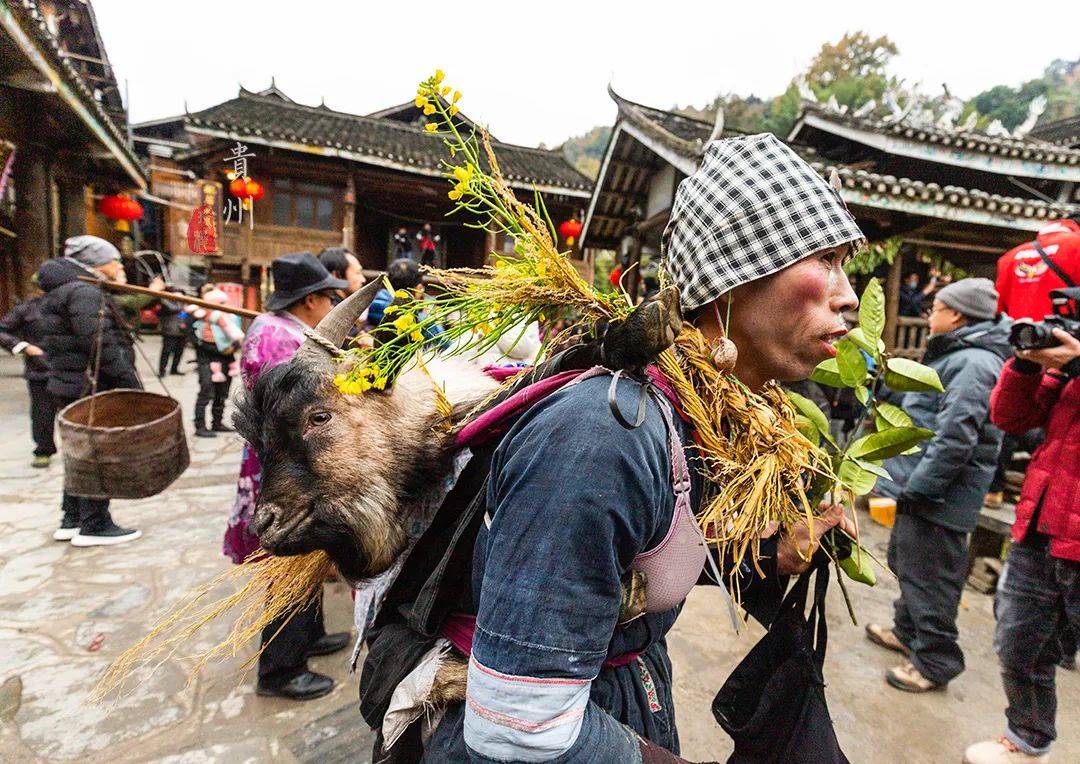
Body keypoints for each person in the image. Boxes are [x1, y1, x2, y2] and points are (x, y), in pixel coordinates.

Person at [364, 133, 863, 761]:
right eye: (824, 259)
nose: (848, 296)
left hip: (626, 693)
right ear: (733, 279)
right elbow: (521, 726)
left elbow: (625, 565)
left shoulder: (698, 412)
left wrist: (767, 553)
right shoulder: (603, 438)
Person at [866, 278, 1010, 693]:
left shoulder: (975, 365)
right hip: (923, 490)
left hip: (940, 496)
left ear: (958, 315)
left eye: (938, 308)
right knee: (910, 564)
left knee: (932, 578)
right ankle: (906, 632)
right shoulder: (959, 357)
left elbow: (956, 437)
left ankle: (935, 661)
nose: (931, 315)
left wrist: (921, 488)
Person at [224, 252, 351, 701]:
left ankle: (309, 635)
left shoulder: (277, 327)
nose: (333, 304)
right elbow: (301, 408)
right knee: (287, 562)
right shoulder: (283, 339)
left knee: (306, 557)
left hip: (282, 461)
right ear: (312, 300)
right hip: (286, 469)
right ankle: (280, 670)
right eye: (330, 297)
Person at [963, 317, 1080, 764]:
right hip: (1041, 526)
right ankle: (1028, 735)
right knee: (1019, 643)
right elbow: (1010, 417)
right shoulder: (1065, 365)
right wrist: (1027, 366)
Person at [37, 235, 142, 546]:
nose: (120, 265)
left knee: (78, 452)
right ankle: (94, 524)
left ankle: (71, 518)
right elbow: (99, 344)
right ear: (98, 263)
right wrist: (130, 384)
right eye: (116, 260)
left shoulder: (65, 290)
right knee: (95, 454)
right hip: (89, 388)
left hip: (69, 385)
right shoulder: (84, 292)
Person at [986, 218, 1080, 508]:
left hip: (1024, 339)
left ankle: (994, 487)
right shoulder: (1076, 247)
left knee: (1007, 420)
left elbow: (999, 307)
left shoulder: (1009, 257)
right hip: (1066, 342)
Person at [0, 284, 55, 467]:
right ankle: (43, 450)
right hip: (40, 369)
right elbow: (2, 331)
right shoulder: (27, 309)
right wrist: (25, 347)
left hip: (71, 367)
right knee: (42, 413)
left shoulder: (70, 305)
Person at [190, 289, 244, 438]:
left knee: (222, 394)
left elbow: (236, 338)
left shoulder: (229, 320)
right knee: (206, 392)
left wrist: (232, 347)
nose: (224, 306)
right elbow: (196, 342)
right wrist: (215, 347)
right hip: (207, 361)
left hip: (227, 360)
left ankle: (217, 422)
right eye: (221, 303)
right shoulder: (199, 320)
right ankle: (200, 426)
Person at [156, 287, 189, 378]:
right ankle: (162, 371)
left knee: (179, 352)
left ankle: (174, 369)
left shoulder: (183, 303)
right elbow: (173, 308)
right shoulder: (166, 302)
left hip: (182, 332)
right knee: (166, 352)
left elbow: (185, 315)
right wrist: (184, 306)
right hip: (170, 332)